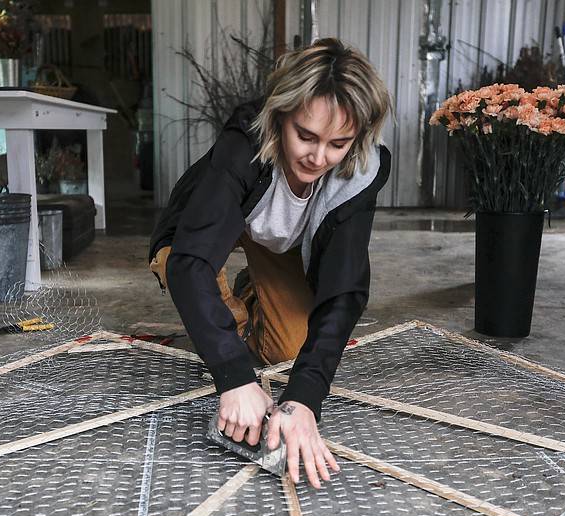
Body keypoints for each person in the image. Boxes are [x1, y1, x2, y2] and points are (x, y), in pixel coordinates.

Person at [149, 37, 393, 489]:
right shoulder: (244, 143)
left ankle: (249, 289)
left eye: (338, 143)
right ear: (281, 116)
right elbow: (192, 262)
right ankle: (232, 313)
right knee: (180, 271)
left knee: (287, 349)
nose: (318, 158)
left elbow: (345, 291)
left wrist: (303, 401)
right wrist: (234, 377)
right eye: (305, 136)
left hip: (281, 243)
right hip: (209, 228)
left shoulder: (359, 172)